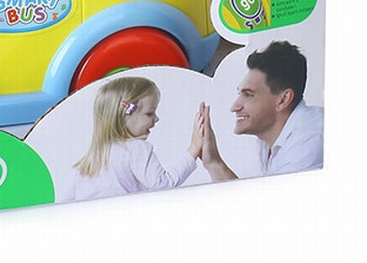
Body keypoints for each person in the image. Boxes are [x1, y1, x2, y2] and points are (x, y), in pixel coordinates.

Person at [64, 75, 204, 200]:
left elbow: (67, 202)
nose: (156, 119)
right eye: (149, 113)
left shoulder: (90, 159)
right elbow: (164, 184)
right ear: (124, 116)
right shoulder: (136, 149)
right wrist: (193, 150)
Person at [201, 41, 323, 181]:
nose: (234, 107)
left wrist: (215, 164)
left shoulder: (309, 142)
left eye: (248, 94)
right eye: (240, 94)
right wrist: (213, 162)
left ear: (283, 100)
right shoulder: (266, 139)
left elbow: (272, 196)